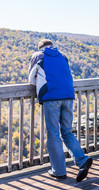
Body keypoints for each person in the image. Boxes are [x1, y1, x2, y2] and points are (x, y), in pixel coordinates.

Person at [28, 39, 93, 181]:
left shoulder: (38, 56)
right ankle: (82, 160)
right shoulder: (62, 56)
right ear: (52, 46)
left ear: (40, 47)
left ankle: (59, 171)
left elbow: (31, 79)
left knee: (53, 134)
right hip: (68, 96)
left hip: (51, 97)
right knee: (67, 132)